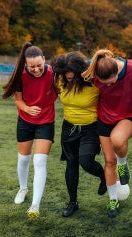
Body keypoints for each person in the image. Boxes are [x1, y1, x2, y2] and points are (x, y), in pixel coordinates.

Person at [81, 49, 132, 218]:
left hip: (130, 115)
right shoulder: (94, 70)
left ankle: (123, 164)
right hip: (105, 118)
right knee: (109, 161)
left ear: (117, 70)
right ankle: (113, 199)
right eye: (105, 83)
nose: (108, 86)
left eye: (111, 82)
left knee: (117, 140)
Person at [2, 42, 58, 219]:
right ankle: (23, 188)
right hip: (25, 121)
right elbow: (18, 100)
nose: (36, 69)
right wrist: (27, 108)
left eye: (39, 65)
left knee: (40, 161)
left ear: (44, 60)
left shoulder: (53, 73)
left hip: (46, 121)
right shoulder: (21, 75)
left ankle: (35, 205)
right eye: (32, 66)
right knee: (24, 159)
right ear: (26, 64)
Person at [51, 51, 106, 218]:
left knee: (86, 161)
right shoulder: (60, 81)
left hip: (90, 128)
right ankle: (73, 202)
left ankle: (104, 176)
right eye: (64, 72)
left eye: (72, 72)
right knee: (71, 164)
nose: (68, 75)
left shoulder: (94, 82)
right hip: (69, 128)